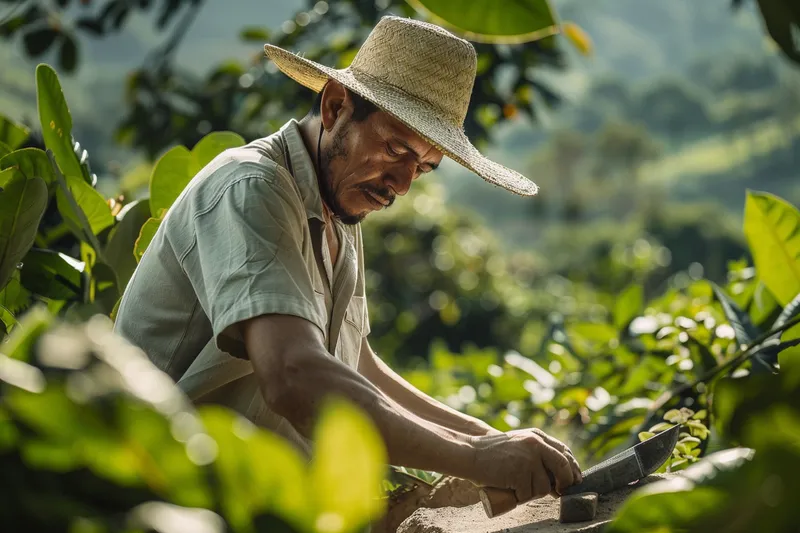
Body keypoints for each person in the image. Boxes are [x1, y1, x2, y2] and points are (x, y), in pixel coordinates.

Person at [114, 15, 582, 508]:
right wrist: (477, 457)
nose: (401, 184)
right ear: (336, 106)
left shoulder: (338, 205)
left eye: (422, 167)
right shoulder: (251, 188)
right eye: (395, 148)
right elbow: (295, 375)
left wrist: (488, 440)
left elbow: (354, 363)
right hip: (162, 502)